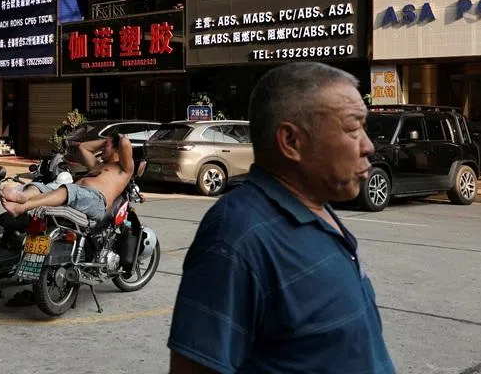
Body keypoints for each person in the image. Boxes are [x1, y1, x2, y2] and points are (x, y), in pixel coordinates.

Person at [167, 62, 395, 373]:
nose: (368, 145)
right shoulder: (237, 237)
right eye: (353, 129)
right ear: (291, 141)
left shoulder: (318, 206)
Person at [1, 132, 134, 221]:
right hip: (74, 193)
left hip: (96, 201)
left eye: (106, 145)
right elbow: (83, 147)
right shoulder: (97, 165)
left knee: (68, 190)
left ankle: (21, 208)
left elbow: (124, 143)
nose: (102, 148)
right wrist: (107, 141)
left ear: (117, 149)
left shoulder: (124, 169)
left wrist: (117, 138)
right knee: (38, 186)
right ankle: (23, 196)